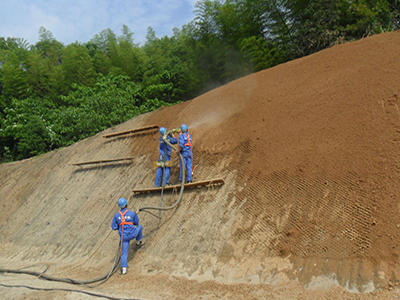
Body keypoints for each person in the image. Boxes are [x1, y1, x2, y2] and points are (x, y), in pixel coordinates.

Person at [111, 197, 144, 275]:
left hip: (124, 237)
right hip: (133, 234)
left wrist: (120, 226)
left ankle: (124, 270)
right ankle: (138, 241)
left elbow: (114, 227)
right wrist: (134, 216)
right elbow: (136, 223)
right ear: (126, 205)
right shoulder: (131, 213)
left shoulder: (116, 215)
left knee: (124, 253)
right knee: (140, 227)